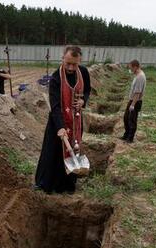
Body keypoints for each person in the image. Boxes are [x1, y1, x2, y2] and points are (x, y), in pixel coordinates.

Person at [35, 46, 91, 194]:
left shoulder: (84, 72)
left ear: (79, 61)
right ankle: (44, 183)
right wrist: (60, 127)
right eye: (68, 63)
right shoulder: (55, 78)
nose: (71, 67)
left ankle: (66, 185)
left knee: (74, 150)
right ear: (62, 59)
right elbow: (55, 105)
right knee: (52, 152)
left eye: (75, 64)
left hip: (76, 122)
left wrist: (83, 101)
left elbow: (87, 90)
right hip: (57, 121)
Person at [122, 59, 146, 143]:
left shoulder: (140, 77)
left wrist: (132, 104)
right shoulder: (137, 75)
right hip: (132, 100)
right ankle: (126, 135)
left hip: (135, 101)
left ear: (135, 67)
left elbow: (138, 92)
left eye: (131, 68)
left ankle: (130, 138)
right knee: (126, 117)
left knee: (132, 120)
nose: (130, 69)